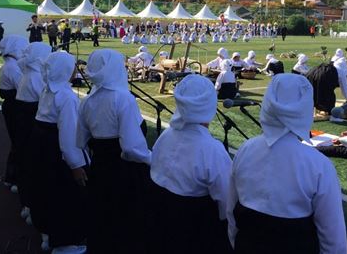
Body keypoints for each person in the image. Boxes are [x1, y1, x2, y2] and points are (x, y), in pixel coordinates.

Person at [227, 74, 347, 253]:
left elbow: (231, 211)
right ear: (305, 109)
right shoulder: (318, 165)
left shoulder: (246, 149)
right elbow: (333, 237)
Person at [77, 49, 151, 253]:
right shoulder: (123, 98)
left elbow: (80, 140)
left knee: (102, 221)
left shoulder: (87, 101)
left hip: (99, 170)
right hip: (126, 173)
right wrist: (153, 159)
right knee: (127, 224)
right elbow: (131, 148)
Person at [148, 75, 232, 254]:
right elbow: (227, 202)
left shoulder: (166, 135)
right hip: (193, 227)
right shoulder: (212, 149)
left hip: (158, 217)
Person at [27, 52, 88, 252]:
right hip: (54, 147)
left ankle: (46, 231)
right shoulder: (66, 96)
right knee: (63, 193)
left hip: (40, 144)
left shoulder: (48, 90)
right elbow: (68, 137)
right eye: (72, 67)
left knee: (45, 187)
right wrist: (75, 165)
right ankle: (66, 242)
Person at [14, 42, 52, 219]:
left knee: (26, 162)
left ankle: (28, 204)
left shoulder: (29, 73)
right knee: (33, 166)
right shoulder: (36, 77)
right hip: (32, 126)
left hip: (25, 124)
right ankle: (32, 206)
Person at [0, 35, 29, 188]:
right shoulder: (13, 67)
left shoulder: (11, 64)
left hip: (11, 106)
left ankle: (11, 177)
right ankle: (15, 177)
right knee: (19, 142)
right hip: (15, 108)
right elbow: (23, 88)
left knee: (17, 142)